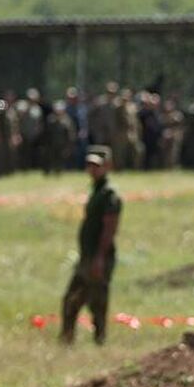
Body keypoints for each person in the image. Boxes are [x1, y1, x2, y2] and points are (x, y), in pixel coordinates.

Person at [59, 146, 122, 346]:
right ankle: (67, 340)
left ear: (108, 166)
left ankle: (99, 341)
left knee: (96, 304)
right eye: (90, 165)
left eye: (97, 166)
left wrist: (99, 258)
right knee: (73, 301)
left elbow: (109, 228)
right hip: (88, 256)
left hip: (98, 257)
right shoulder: (96, 191)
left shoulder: (109, 194)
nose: (92, 169)